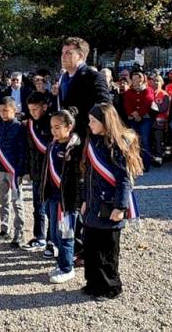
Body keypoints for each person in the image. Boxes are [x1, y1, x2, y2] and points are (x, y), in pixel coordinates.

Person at [80, 103, 143, 300]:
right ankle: (93, 283)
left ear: (106, 122)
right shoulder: (92, 141)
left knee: (107, 251)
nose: (89, 124)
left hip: (109, 206)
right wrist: (84, 199)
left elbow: (124, 179)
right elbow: (88, 174)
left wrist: (120, 206)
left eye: (93, 121)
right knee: (90, 248)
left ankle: (110, 287)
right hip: (92, 204)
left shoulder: (117, 145)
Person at [42, 108, 84, 283]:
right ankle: (62, 263)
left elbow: (79, 177)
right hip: (52, 197)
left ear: (69, 126)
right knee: (54, 233)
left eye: (58, 127)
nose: (54, 131)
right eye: (52, 127)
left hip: (67, 201)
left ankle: (67, 268)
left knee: (66, 234)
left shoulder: (75, 148)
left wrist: (79, 200)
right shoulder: (52, 145)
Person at [0, 97, 27, 247]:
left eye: (6, 110)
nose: (3, 114)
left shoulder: (19, 128)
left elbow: (23, 151)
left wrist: (21, 172)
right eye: (0, 111)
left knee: (17, 202)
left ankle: (20, 233)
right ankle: (5, 230)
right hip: (1, 170)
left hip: (14, 170)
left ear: (14, 109)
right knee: (3, 202)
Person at [58, 37, 112, 139]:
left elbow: (105, 106)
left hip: (88, 135)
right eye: (62, 53)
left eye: (68, 53)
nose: (63, 56)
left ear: (80, 56)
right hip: (68, 134)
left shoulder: (94, 77)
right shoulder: (63, 78)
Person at [24, 92, 53, 252]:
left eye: (35, 109)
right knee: (38, 207)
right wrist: (28, 170)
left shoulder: (52, 122)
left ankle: (51, 239)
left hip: (49, 172)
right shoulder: (30, 125)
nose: (33, 113)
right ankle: (39, 236)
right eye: (30, 110)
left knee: (50, 208)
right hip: (36, 172)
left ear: (44, 107)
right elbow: (29, 149)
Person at [123, 68, 155, 171]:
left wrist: (139, 114)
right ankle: (135, 164)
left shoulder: (148, 90)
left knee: (145, 141)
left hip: (145, 119)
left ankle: (146, 164)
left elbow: (148, 102)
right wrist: (134, 113)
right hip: (132, 119)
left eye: (139, 78)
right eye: (134, 78)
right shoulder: (128, 92)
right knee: (133, 142)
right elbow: (127, 104)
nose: (137, 80)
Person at [149, 74, 170, 166]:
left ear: (162, 83)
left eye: (158, 81)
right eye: (154, 81)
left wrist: (151, 109)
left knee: (158, 141)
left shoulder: (164, 94)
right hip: (149, 122)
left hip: (159, 123)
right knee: (149, 141)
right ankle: (151, 157)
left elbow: (163, 108)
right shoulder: (148, 92)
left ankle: (158, 159)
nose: (156, 83)